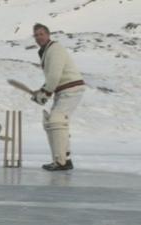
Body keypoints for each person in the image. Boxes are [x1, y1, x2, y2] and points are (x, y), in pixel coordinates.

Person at [32, 23, 86, 171]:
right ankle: (65, 159)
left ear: (48, 35)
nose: (39, 37)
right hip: (64, 90)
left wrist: (46, 93)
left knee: (56, 120)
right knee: (55, 123)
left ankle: (61, 161)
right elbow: (52, 76)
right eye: (36, 35)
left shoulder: (54, 49)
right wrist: (42, 91)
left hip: (71, 88)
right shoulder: (46, 51)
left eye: (41, 34)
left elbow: (55, 74)